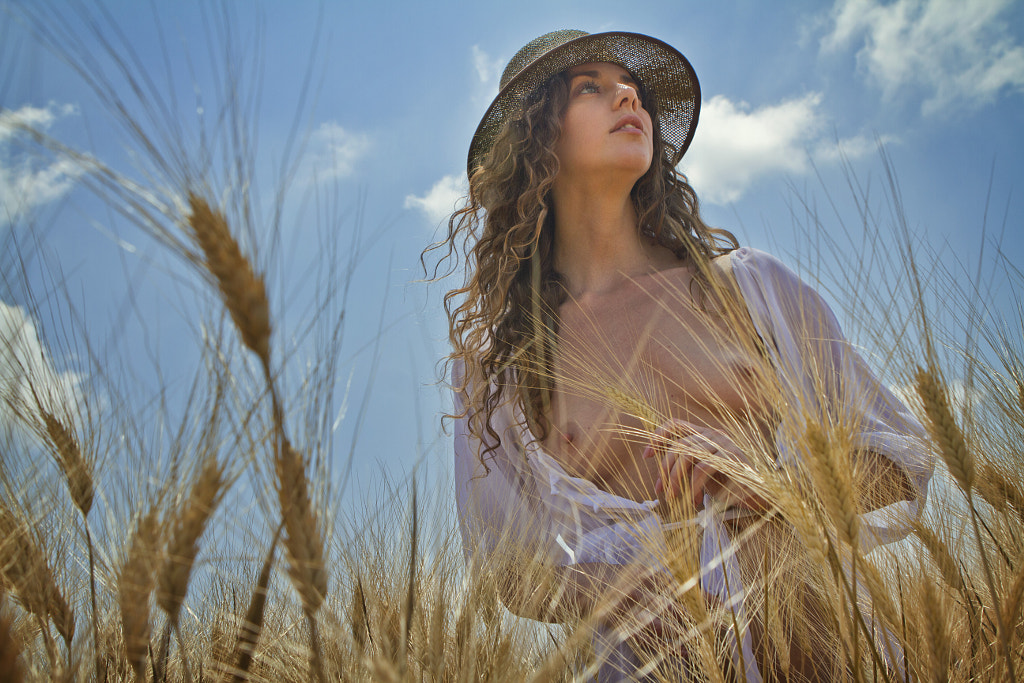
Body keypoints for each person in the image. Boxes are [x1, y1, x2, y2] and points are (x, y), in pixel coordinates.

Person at [427, 30, 933, 682]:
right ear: (537, 141)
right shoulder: (499, 373)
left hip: (827, 649)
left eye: (629, 85)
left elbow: (899, 463)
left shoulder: (753, 289)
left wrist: (773, 486)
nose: (627, 95)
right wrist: (607, 586)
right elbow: (508, 572)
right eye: (591, 87)